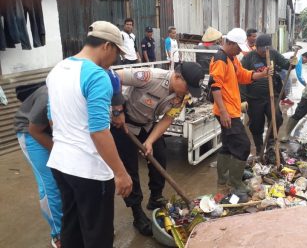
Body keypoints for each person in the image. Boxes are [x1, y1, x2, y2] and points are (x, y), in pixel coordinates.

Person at [46, 21, 133, 248]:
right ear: (107, 46)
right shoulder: (96, 75)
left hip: (60, 163)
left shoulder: (58, 69)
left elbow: (52, 117)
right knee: (98, 235)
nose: (115, 59)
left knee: (72, 227)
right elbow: (98, 131)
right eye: (116, 52)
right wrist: (120, 172)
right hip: (89, 170)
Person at [110, 62, 204, 235]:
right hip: (124, 124)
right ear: (177, 77)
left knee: (159, 155)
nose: (188, 93)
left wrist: (150, 141)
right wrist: (116, 109)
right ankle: (137, 212)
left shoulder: (182, 96)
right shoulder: (150, 77)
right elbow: (114, 76)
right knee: (130, 170)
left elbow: (167, 119)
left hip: (147, 125)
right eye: (188, 88)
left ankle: (155, 197)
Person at [209, 28, 271, 194]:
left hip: (231, 110)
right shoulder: (221, 59)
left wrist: (262, 74)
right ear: (230, 43)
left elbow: (242, 75)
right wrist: (223, 112)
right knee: (243, 145)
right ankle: (235, 182)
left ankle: (224, 179)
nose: (239, 51)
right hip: (226, 111)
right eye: (238, 47)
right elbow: (215, 86)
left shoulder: (232, 58)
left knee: (229, 146)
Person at [14, 85, 62, 248]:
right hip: (29, 133)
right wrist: (58, 151)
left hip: (48, 130)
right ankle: (58, 233)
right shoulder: (47, 95)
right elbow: (35, 130)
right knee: (50, 185)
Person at [240, 34, 296, 156]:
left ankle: (270, 143)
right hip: (254, 98)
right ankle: (259, 149)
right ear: (257, 47)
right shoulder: (249, 58)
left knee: (277, 118)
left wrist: (293, 62)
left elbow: (286, 65)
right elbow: (241, 78)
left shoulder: (273, 54)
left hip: (272, 95)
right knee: (256, 125)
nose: (265, 52)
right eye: (262, 50)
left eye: (267, 49)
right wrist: (242, 99)